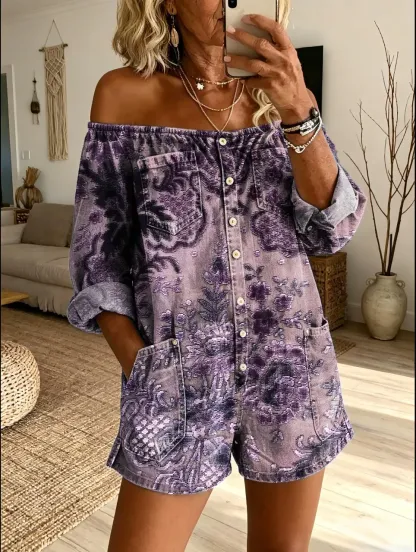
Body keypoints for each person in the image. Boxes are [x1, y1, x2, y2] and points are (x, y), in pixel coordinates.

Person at [68, 0, 366, 550]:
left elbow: (333, 228)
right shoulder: (123, 95)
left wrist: (299, 111)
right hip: (178, 378)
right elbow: (98, 252)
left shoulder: (282, 95)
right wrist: (140, 362)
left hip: (289, 369)